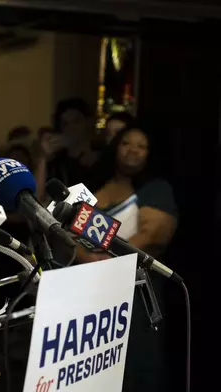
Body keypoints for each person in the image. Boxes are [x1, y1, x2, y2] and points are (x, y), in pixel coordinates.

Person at [80, 125, 177, 392]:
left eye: (141, 145)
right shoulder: (96, 186)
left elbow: (153, 238)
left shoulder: (156, 189)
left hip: (137, 293)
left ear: (150, 153)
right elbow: (69, 232)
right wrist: (84, 256)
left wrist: (106, 260)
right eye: (126, 143)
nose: (132, 150)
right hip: (93, 292)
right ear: (115, 147)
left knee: (135, 364)